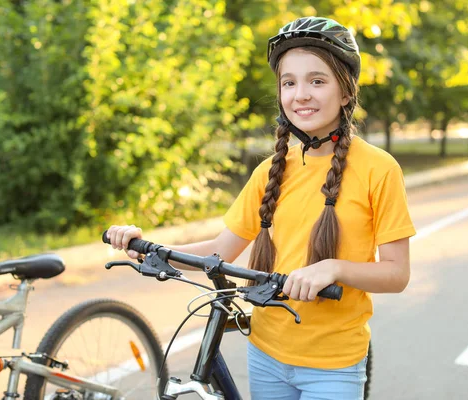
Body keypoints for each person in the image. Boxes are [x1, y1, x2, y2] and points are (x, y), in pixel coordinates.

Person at [107, 16, 416, 400]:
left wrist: (332, 268)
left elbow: (397, 274)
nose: (301, 94)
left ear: (346, 91)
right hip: (265, 352)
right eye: (290, 83)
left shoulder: (379, 169)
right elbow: (218, 252)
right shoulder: (270, 171)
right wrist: (143, 244)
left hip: (333, 363)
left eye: (317, 81)